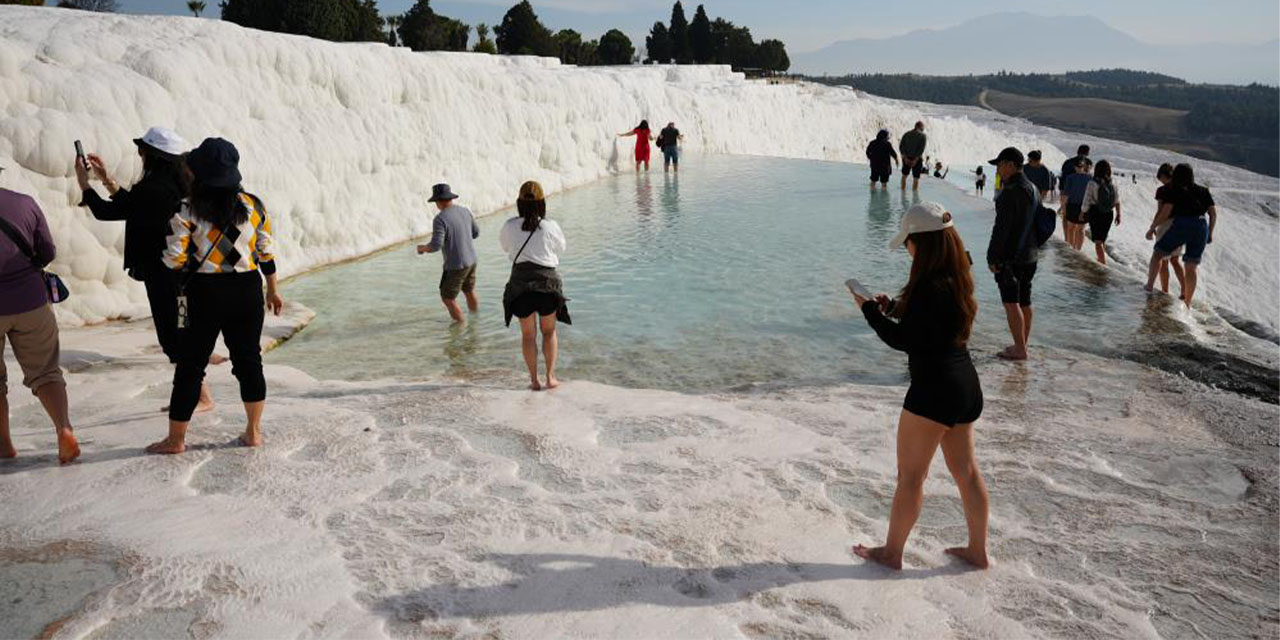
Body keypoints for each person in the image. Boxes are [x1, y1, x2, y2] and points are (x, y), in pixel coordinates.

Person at [850, 201, 988, 571]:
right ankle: (978, 552)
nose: (907, 249)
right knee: (967, 473)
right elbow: (932, 325)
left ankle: (891, 553)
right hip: (965, 385)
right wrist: (894, 307)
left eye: (908, 242)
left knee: (911, 477)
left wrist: (869, 313)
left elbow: (904, 341)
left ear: (921, 243)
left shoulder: (929, 285)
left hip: (934, 389)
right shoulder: (957, 275)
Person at [146, 138, 283, 455]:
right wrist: (273, 289)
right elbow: (265, 251)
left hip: (203, 293)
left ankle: (176, 440)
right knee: (249, 361)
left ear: (198, 171)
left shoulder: (186, 208)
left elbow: (174, 260)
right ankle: (253, 432)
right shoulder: (253, 205)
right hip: (247, 290)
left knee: (190, 366)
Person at [75, 127, 220, 413]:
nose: (140, 155)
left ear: (153, 156)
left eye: (142, 150)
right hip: (185, 272)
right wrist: (106, 179)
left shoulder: (153, 189)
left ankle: (201, 396)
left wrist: (84, 184)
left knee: (173, 335)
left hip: (163, 274)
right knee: (182, 326)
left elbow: (108, 212)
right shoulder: (183, 183)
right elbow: (134, 205)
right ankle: (198, 389)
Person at [0, 166, 80, 464]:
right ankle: (63, 428)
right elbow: (47, 252)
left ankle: (4, 445)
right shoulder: (24, 203)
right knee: (46, 372)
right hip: (31, 302)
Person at [500, 181, 570, 391]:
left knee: (528, 335)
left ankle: (534, 380)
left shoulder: (509, 226)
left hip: (520, 285)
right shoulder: (550, 226)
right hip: (547, 284)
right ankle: (550, 377)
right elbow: (561, 248)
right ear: (542, 203)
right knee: (548, 332)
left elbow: (505, 247)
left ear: (519, 203)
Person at [987, 147, 1038, 361]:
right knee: (1025, 301)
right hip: (1031, 254)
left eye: (999, 165)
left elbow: (1001, 228)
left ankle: (1019, 348)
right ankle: (1023, 343)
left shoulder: (1009, 192)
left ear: (1010, 165)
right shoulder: (1032, 188)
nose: (998, 170)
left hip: (1011, 258)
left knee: (1011, 302)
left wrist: (992, 256)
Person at [1144, 163, 1217, 308]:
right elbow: (1213, 213)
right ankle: (1187, 303)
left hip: (1183, 224)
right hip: (1201, 226)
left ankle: (1149, 286)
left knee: (1158, 253)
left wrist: (1152, 228)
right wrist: (1210, 233)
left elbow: (1165, 212)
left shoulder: (1175, 190)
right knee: (1191, 266)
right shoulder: (1203, 190)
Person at [416, 184, 479, 325]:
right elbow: (476, 233)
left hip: (456, 266)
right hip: (472, 260)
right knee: (469, 291)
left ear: (438, 201)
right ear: (450, 198)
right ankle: (475, 321)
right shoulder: (465, 211)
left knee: (448, 298)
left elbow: (436, 246)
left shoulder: (440, 219)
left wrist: (422, 248)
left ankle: (461, 326)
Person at [1151, 163, 1187, 297]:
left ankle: (1165, 291)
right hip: (1181, 225)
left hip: (1166, 225)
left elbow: (1160, 211)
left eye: (1160, 178)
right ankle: (1184, 290)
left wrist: (1153, 226)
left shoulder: (1162, 190)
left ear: (1163, 175)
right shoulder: (1183, 188)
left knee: (1164, 260)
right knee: (1175, 260)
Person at [1081, 159, 1121, 265]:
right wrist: (1118, 214)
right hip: (1109, 214)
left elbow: (1087, 200)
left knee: (1098, 242)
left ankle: (1103, 264)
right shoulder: (1113, 183)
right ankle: (1100, 259)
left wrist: (1083, 212)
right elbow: (1117, 200)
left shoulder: (1092, 183)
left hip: (1096, 213)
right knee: (1102, 239)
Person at [1059, 158, 1092, 250]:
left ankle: (1071, 248)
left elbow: (1066, 194)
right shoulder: (1090, 178)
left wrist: (1063, 207)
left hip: (1072, 205)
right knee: (1081, 229)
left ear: (1075, 167)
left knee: (1071, 228)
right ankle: (1078, 249)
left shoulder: (1070, 177)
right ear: (1084, 166)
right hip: (1085, 207)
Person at [898, 121, 928, 191]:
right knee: (916, 178)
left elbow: (901, 147)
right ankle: (914, 194)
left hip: (906, 158)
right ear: (920, 127)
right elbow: (921, 149)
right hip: (917, 159)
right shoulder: (923, 136)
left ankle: (902, 192)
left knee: (904, 176)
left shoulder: (906, 134)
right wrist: (915, 160)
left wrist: (905, 158)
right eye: (923, 128)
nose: (923, 129)